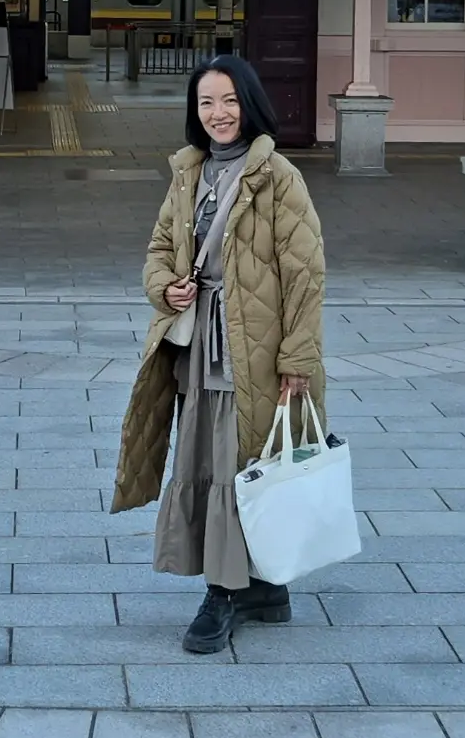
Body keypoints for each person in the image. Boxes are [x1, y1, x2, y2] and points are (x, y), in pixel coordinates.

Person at [110, 53, 329, 653]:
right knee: (206, 464)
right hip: (196, 346)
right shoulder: (189, 173)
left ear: (249, 104)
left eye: (229, 100)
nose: (218, 113)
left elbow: (307, 274)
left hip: (252, 353)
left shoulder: (278, 177)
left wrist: (296, 360)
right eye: (206, 102)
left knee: (238, 466)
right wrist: (167, 286)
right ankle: (263, 588)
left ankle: (223, 591)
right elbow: (159, 247)